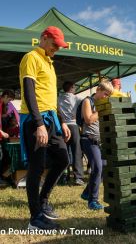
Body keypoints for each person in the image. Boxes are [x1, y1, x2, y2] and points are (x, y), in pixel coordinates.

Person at [19, 26, 71, 230]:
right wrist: (39, 123)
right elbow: (29, 92)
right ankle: (35, 218)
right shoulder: (31, 57)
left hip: (51, 119)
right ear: (43, 38)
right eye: (54, 44)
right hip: (35, 120)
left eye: (59, 46)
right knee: (36, 166)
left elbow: (51, 96)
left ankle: (43, 201)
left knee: (63, 159)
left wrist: (63, 120)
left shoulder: (49, 63)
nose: (57, 48)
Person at [80, 79, 113, 210]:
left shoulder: (102, 102)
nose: (106, 97)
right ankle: (92, 201)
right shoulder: (87, 101)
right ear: (98, 89)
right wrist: (101, 110)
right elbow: (88, 120)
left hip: (99, 141)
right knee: (97, 168)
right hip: (88, 139)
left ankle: (87, 192)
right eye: (105, 94)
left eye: (108, 95)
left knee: (104, 166)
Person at [58, 81, 84, 185]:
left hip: (62, 126)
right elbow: (85, 105)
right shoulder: (76, 98)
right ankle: (78, 177)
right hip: (73, 126)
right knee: (76, 151)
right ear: (72, 88)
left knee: (64, 151)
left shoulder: (58, 98)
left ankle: (64, 176)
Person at [0, 90, 15, 186]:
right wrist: (1, 132)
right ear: (5, 96)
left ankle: (3, 176)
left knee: (5, 157)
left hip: (1, 137)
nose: (9, 102)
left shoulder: (2, 105)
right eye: (9, 99)